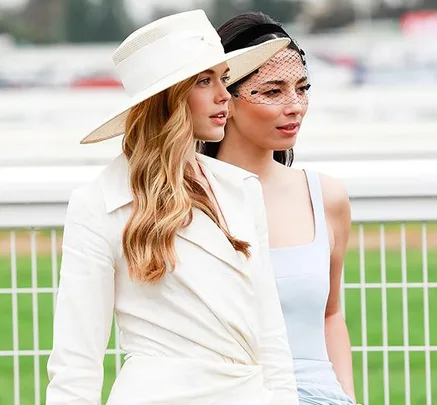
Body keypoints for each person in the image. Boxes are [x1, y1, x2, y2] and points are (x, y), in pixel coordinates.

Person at [45, 10, 300, 405]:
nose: (223, 95)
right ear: (167, 97)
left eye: (223, 78)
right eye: (204, 80)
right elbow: (76, 364)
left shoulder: (240, 189)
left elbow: (271, 336)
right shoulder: (99, 204)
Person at [201, 11, 358, 405]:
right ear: (225, 99)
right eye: (272, 92)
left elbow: (330, 315)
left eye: (301, 88)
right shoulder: (187, 200)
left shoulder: (325, 197)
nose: (295, 106)